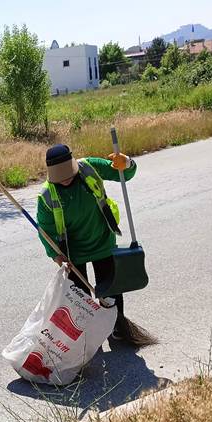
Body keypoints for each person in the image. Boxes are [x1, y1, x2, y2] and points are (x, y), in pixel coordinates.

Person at [36, 143, 137, 341]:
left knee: (111, 290)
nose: (65, 180)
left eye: (68, 175)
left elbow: (124, 174)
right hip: (72, 252)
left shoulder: (90, 167)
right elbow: (45, 230)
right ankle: (87, 335)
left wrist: (127, 163)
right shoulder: (47, 195)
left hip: (103, 241)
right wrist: (56, 255)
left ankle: (117, 326)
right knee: (79, 298)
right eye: (60, 177)